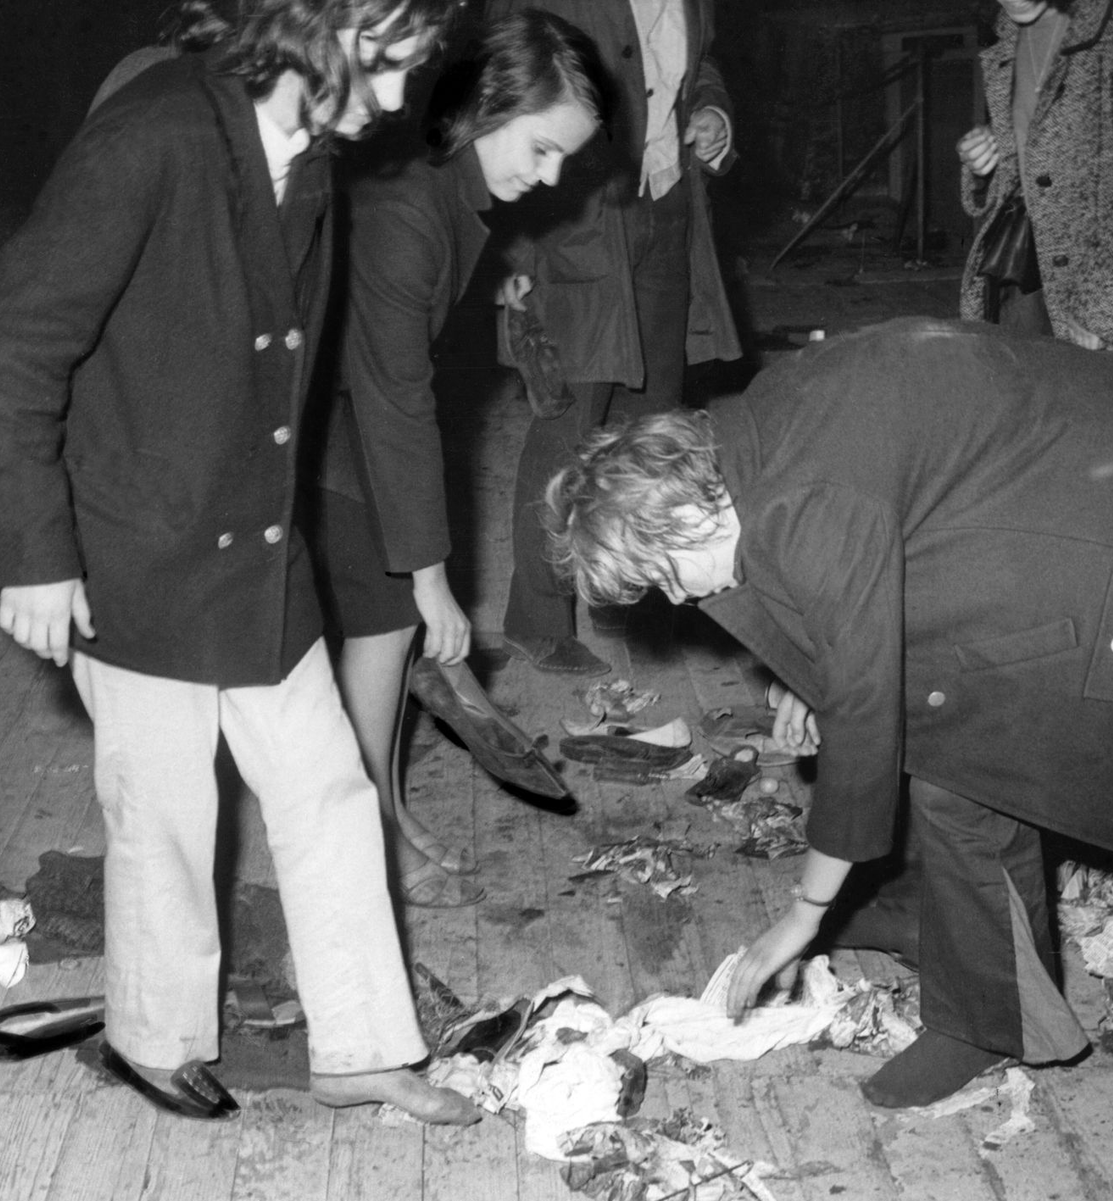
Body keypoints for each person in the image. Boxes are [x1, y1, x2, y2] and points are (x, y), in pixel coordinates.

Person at [0, 0, 479, 1125]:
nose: (392, 103)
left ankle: (363, 1045)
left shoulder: (304, 153)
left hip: (249, 546)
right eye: (385, 67)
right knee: (168, 809)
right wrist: (36, 555)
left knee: (328, 785)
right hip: (131, 544)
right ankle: (152, 1038)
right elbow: (2, 341)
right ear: (311, 23)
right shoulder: (157, 137)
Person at [543, 316, 1113, 1109]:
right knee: (956, 769)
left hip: (1082, 536)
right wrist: (813, 678)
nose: (674, 598)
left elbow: (866, 710)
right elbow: (849, 568)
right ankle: (986, 1005)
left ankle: (967, 985)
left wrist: (804, 912)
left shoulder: (805, 499)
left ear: (682, 515)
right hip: (1038, 495)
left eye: (662, 575)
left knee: (952, 750)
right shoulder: (750, 435)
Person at [314, 10, 603, 907]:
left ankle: (383, 813)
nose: (549, 176)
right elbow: (397, 399)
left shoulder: (442, 178)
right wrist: (431, 574)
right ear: (489, 105)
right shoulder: (410, 204)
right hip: (328, 422)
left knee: (388, 628)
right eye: (544, 148)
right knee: (385, 621)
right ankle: (361, 839)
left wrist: (482, 301)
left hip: (357, 406)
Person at [482, 0, 742, 676]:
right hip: (576, 222)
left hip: (667, 205)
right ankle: (536, 618)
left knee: (651, 415)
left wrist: (714, 115)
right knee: (569, 421)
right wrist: (514, 264)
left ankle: (619, 591)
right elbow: (501, 95)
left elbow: (699, 63)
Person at [957, 0, 1113, 346]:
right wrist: (988, 160)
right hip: (1025, 275)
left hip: (1094, 294)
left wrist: (1103, 308)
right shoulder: (1011, 38)